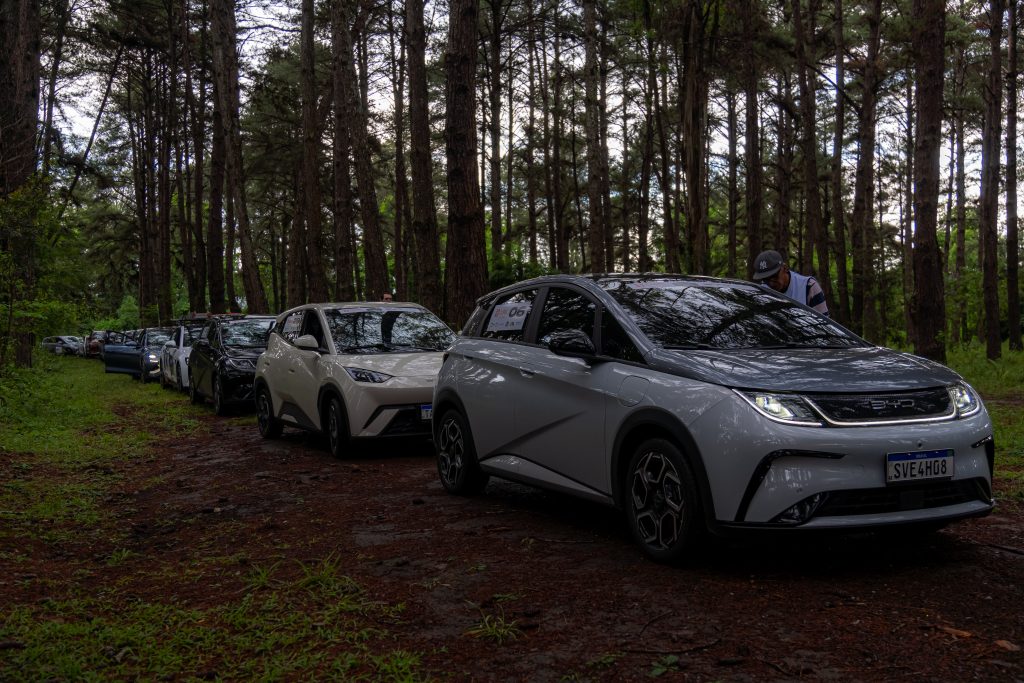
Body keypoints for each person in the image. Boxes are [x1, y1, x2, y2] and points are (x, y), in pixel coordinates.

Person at [752, 249, 829, 317]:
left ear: (785, 268)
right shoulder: (762, 291)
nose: (771, 283)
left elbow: (825, 325)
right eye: (765, 279)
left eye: (774, 276)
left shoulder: (809, 286)